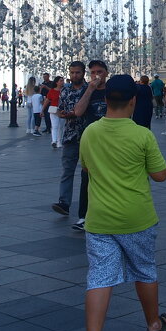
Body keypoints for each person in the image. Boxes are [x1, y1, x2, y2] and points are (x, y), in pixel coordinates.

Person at [76, 74, 166, 331]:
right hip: (137, 218)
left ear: (106, 100)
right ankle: (154, 325)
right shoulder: (142, 135)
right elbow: (160, 175)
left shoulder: (90, 133)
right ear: (133, 101)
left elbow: (87, 168)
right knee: (144, 270)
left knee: (100, 278)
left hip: (100, 219)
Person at [53, 60, 108, 232]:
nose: (74, 75)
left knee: (89, 175)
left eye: (77, 72)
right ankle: (64, 203)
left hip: (88, 136)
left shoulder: (91, 88)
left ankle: (91, 212)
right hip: (70, 135)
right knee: (68, 170)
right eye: (71, 73)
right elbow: (61, 110)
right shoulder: (67, 90)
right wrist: (64, 114)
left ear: (83, 73)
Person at [47, 76, 64, 148]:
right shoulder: (52, 91)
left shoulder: (65, 90)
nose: (62, 82)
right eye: (60, 81)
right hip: (53, 109)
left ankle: (59, 142)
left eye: (62, 81)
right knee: (55, 126)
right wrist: (42, 110)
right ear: (56, 82)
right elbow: (47, 100)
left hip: (62, 110)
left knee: (61, 126)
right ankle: (54, 141)